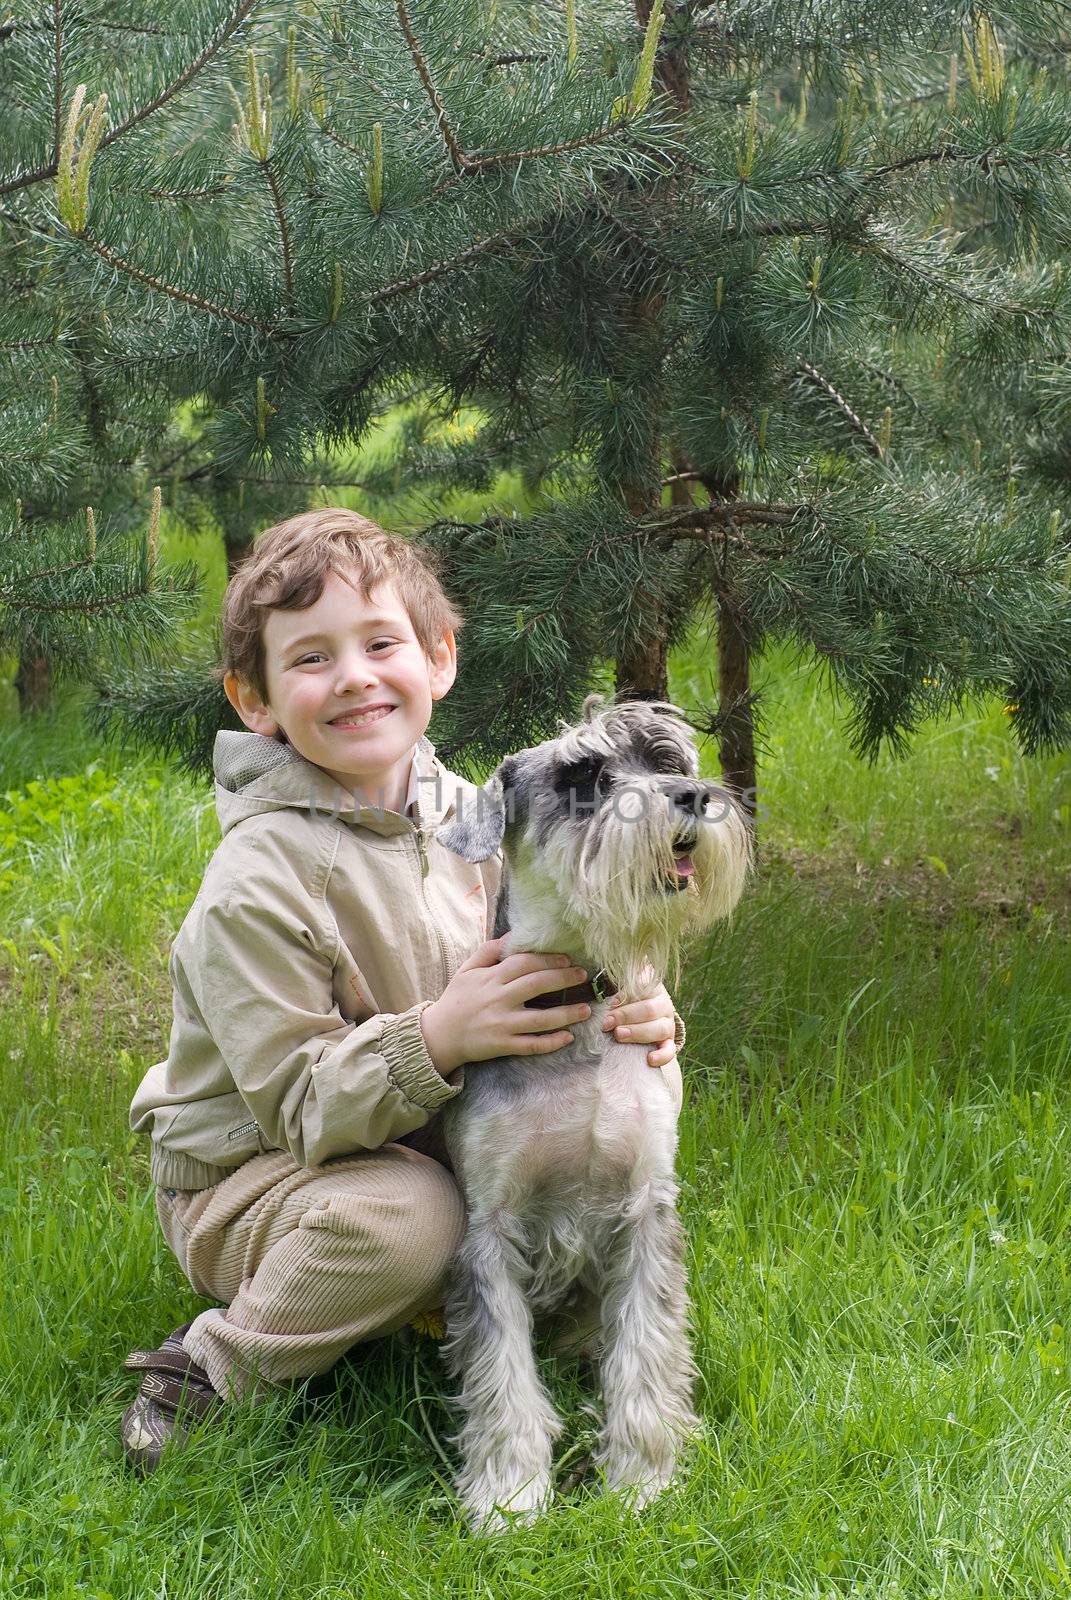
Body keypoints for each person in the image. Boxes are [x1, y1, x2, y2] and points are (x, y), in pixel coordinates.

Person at [121, 507, 684, 1471]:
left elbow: (581, 920)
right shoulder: (255, 880)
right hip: (261, 1177)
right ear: (252, 701)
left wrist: (640, 996)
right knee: (418, 1221)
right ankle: (212, 1366)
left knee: (542, 1186)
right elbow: (298, 1106)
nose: (353, 676)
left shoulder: (474, 810)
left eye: (381, 643)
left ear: (439, 660)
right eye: (310, 659)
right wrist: (440, 1038)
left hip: (413, 1131)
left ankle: (451, 1330)